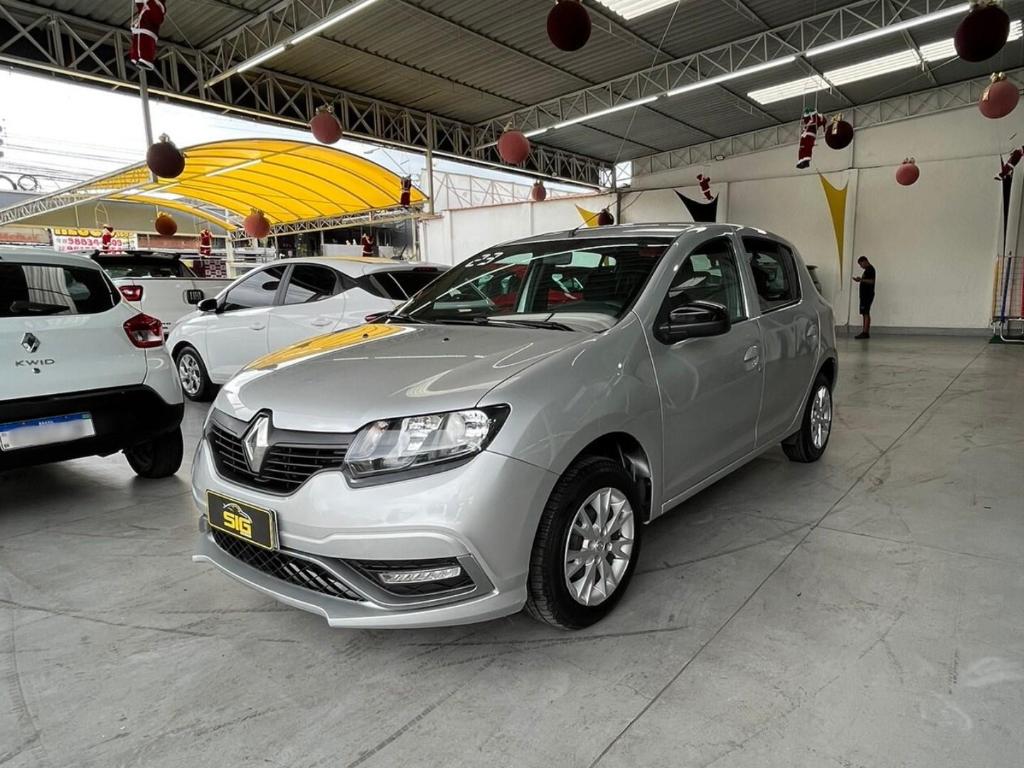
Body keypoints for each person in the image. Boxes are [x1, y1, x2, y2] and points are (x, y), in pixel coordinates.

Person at [853, 256, 876, 339]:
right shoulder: (867, 270)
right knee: (864, 313)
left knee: (866, 313)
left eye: (861, 264)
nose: (861, 266)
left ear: (865, 261)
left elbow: (872, 281)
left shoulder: (870, 269)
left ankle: (865, 332)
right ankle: (864, 331)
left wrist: (861, 280)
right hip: (864, 295)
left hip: (867, 295)